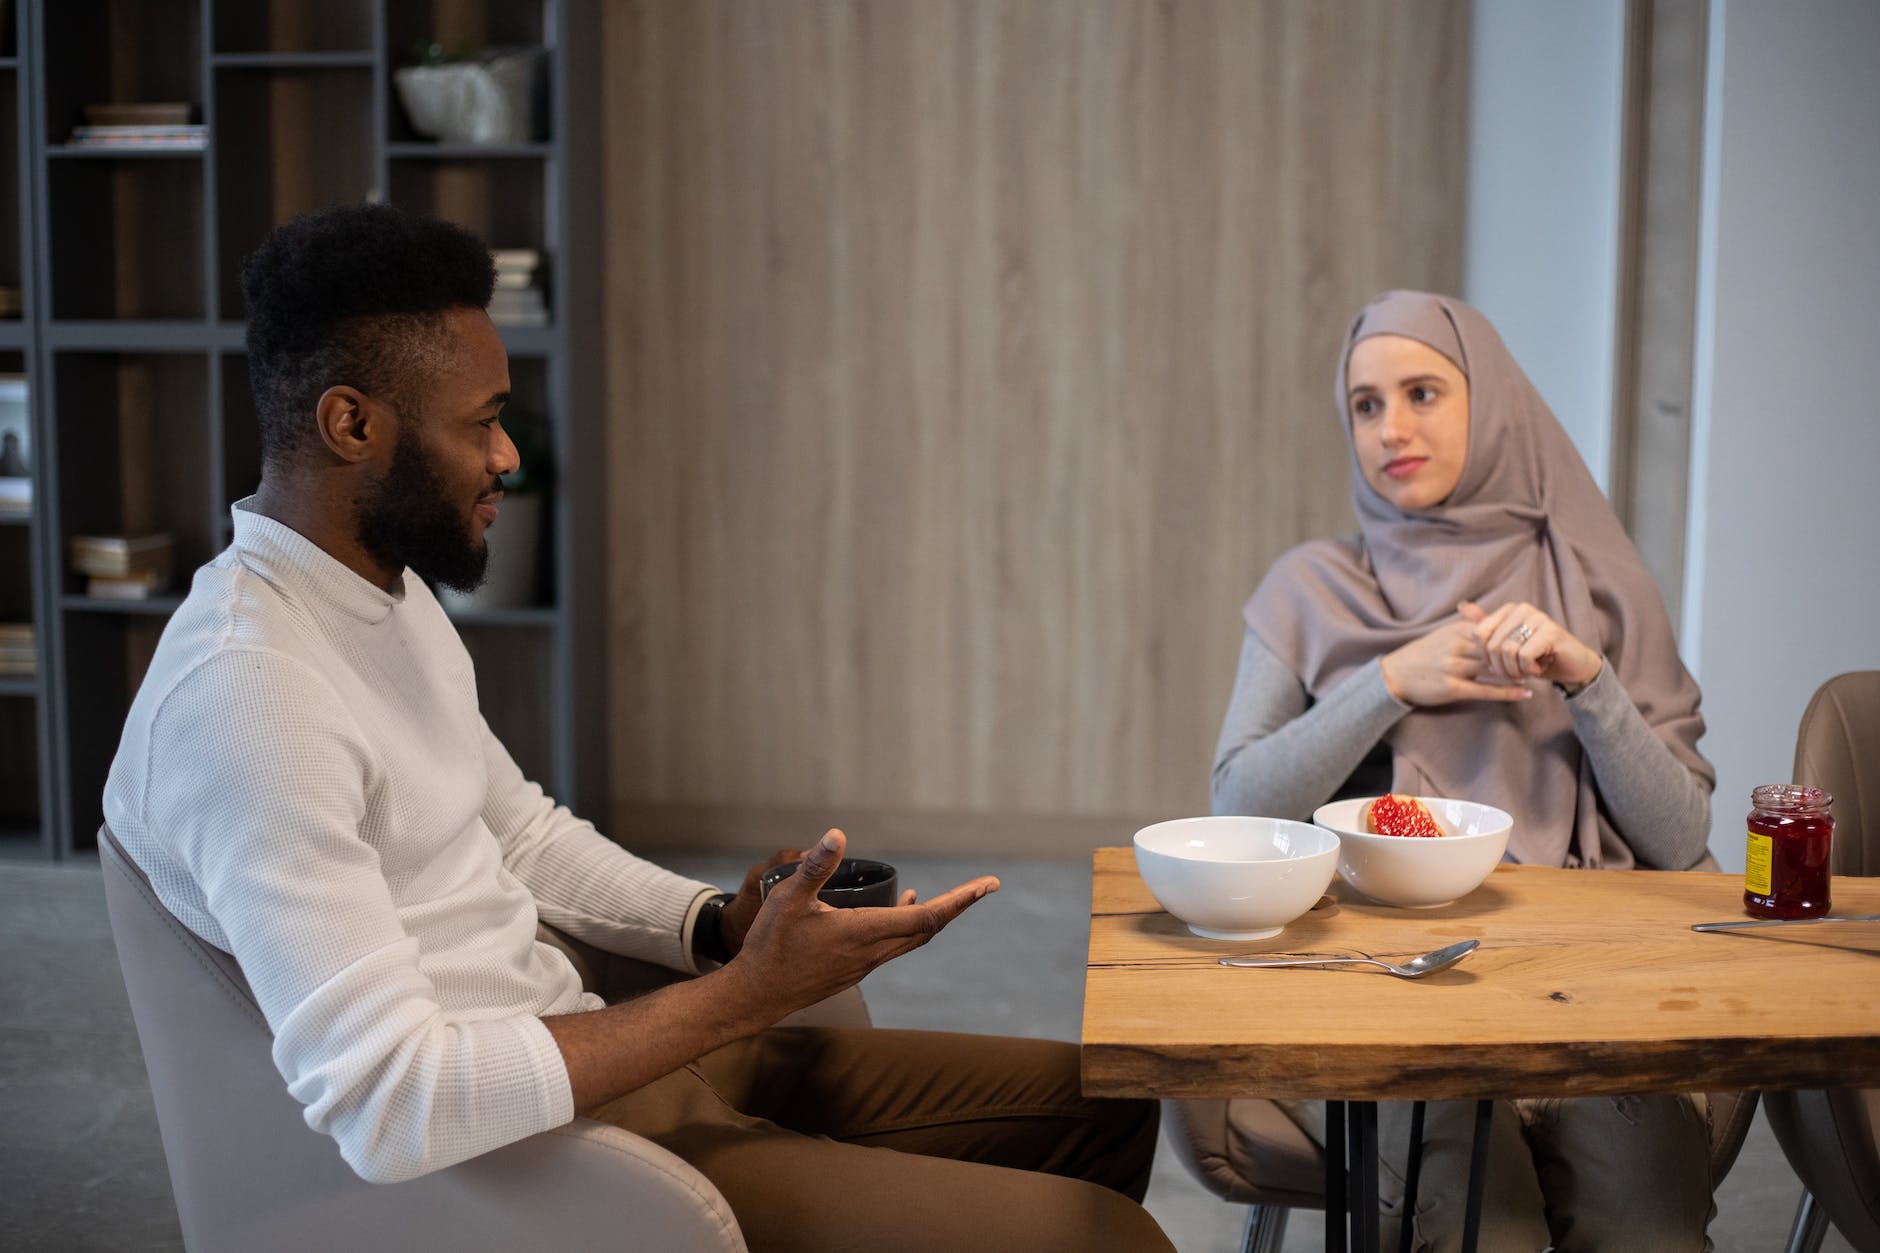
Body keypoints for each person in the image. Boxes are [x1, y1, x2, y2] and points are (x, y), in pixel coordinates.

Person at [102, 203, 1171, 1253]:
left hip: (613, 1050)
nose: (508, 454)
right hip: (544, 1156)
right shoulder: (250, 698)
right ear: (352, 425)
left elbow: (518, 832)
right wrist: (736, 998)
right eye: (480, 420)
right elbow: (393, 1104)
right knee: (1099, 1234)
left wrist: (717, 925)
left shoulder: (384, 595)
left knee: (1103, 1100)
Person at [1209, 291, 1717, 1251]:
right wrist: (1388, 680)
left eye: (1423, 392)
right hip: (1379, 985)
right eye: (1365, 405)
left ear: (1493, 405)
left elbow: (1681, 837)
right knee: (1486, 1224)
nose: (1391, 427)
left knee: (1645, 1228)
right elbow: (1236, 802)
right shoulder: (1313, 588)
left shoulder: (1601, 585)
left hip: (1585, 983)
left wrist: (1589, 681)